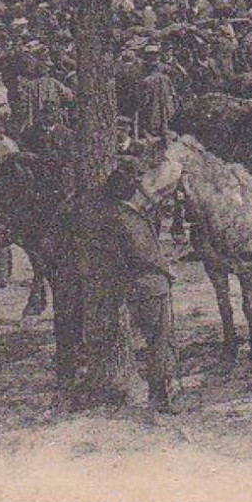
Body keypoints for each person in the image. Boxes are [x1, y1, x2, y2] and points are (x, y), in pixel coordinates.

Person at [87, 158, 177, 412]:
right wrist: (167, 269)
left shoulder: (119, 215)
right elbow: (145, 253)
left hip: (140, 286)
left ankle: (159, 395)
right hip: (149, 286)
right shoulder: (128, 220)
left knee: (155, 342)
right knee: (158, 343)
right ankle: (159, 399)